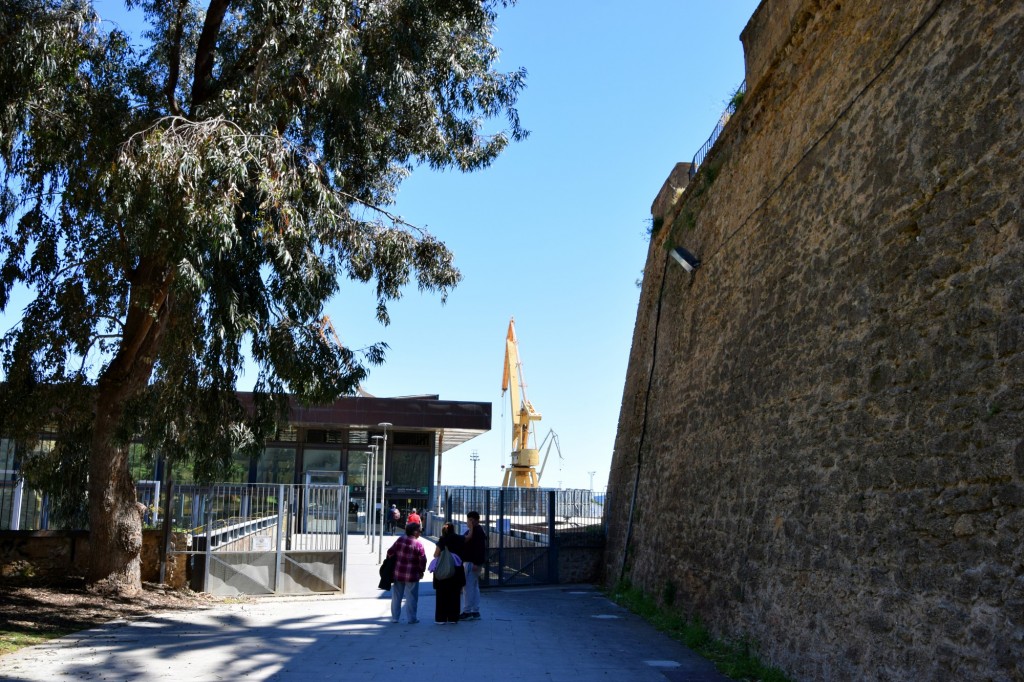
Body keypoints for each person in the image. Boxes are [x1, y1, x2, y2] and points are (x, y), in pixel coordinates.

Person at [386, 522, 426, 624]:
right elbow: (423, 560)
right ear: (415, 532)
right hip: (412, 574)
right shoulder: (418, 544)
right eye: (419, 531)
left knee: (396, 596)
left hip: (398, 572)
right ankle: (412, 619)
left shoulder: (400, 540)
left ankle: (395, 618)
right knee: (411, 597)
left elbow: (390, 552)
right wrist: (421, 571)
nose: (420, 533)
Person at [431, 522, 466, 624]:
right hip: (456, 570)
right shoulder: (460, 539)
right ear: (453, 529)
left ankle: (441, 618)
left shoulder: (442, 540)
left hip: (443, 570)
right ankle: (453, 617)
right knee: (455, 594)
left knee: (441, 595)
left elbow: (436, 555)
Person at [460, 510, 487, 620]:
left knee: (468, 588)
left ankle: (467, 612)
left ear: (472, 520)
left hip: (472, 563)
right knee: (474, 587)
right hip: (475, 563)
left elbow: (478, 549)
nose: (467, 522)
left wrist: (476, 563)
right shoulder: (478, 530)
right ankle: (475, 611)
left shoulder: (476, 531)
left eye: (468, 520)